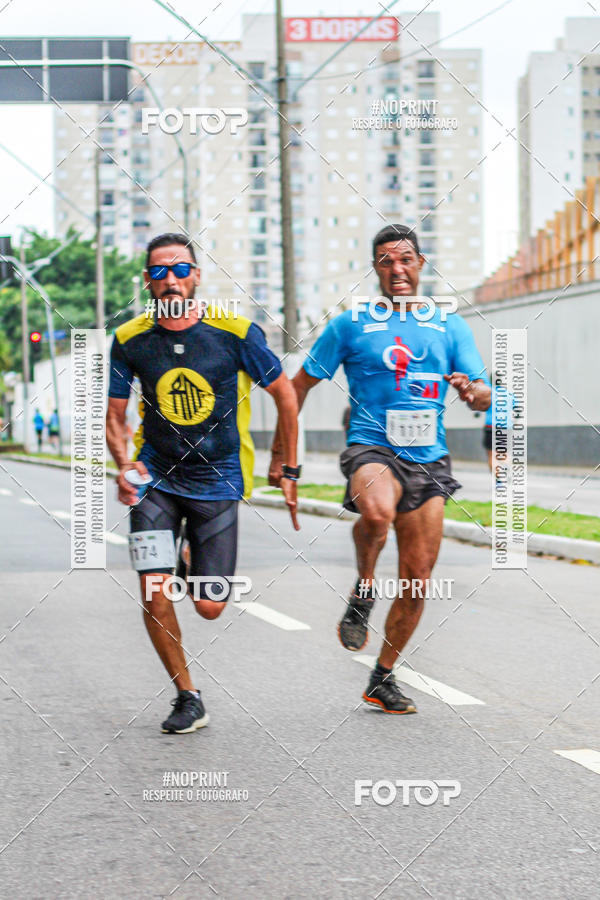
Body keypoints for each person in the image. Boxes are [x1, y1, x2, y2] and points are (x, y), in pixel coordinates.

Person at [270, 224, 491, 715]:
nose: (397, 270)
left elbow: (483, 393)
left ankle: (382, 677)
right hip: (371, 447)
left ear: (421, 264)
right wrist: (281, 455)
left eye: (406, 259)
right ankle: (364, 586)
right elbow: (295, 387)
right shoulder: (349, 325)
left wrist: (473, 392)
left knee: (417, 579)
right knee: (376, 511)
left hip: (429, 459)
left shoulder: (449, 325)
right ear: (375, 268)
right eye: (387, 261)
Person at [106, 232, 300, 735]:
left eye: (179, 269)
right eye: (159, 271)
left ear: (195, 276)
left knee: (210, 605)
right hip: (155, 478)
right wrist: (124, 464)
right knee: (154, 590)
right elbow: (115, 416)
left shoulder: (235, 332)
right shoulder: (129, 339)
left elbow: (286, 396)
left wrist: (287, 465)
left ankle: (190, 557)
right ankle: (187, 696)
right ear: (147, 280)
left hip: (218, 478)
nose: (169, 279)